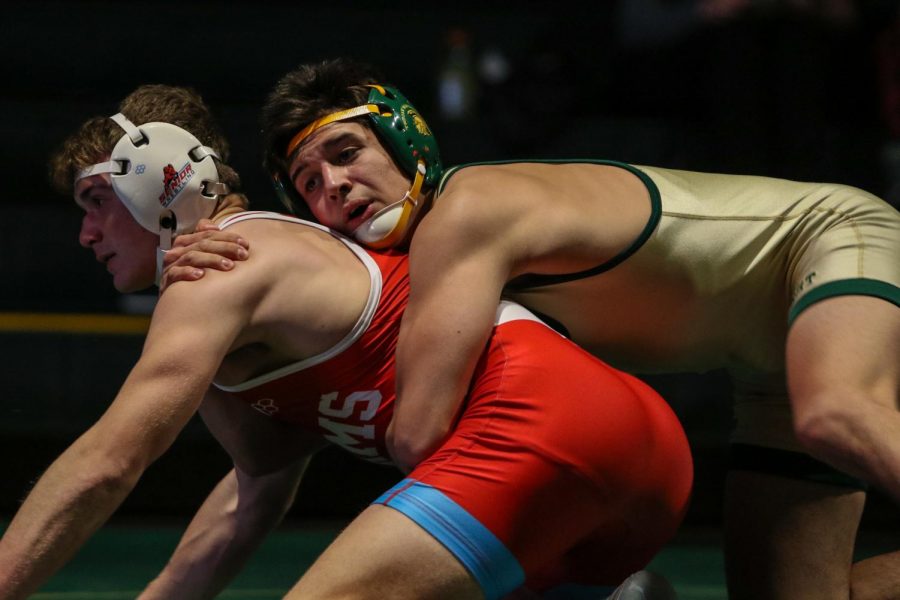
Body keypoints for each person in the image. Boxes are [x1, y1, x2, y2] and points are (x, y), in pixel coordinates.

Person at [166, 57, 900, 600]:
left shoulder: (468, 212)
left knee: (840, 414)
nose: (334, 187)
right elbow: (277, 460)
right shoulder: (417, 276)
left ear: (403, 136)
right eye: (309, 184)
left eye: (346, 152)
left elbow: (422, 435)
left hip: (834, 239)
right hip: (765, 366)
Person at [0, 84, 692, 600]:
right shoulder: (262, 274)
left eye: (97, 203)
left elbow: (109, 460)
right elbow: (256, 491)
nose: (86, 235)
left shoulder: (219, 270)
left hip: (540, 427)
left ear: (162, 183)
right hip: (629, 456)